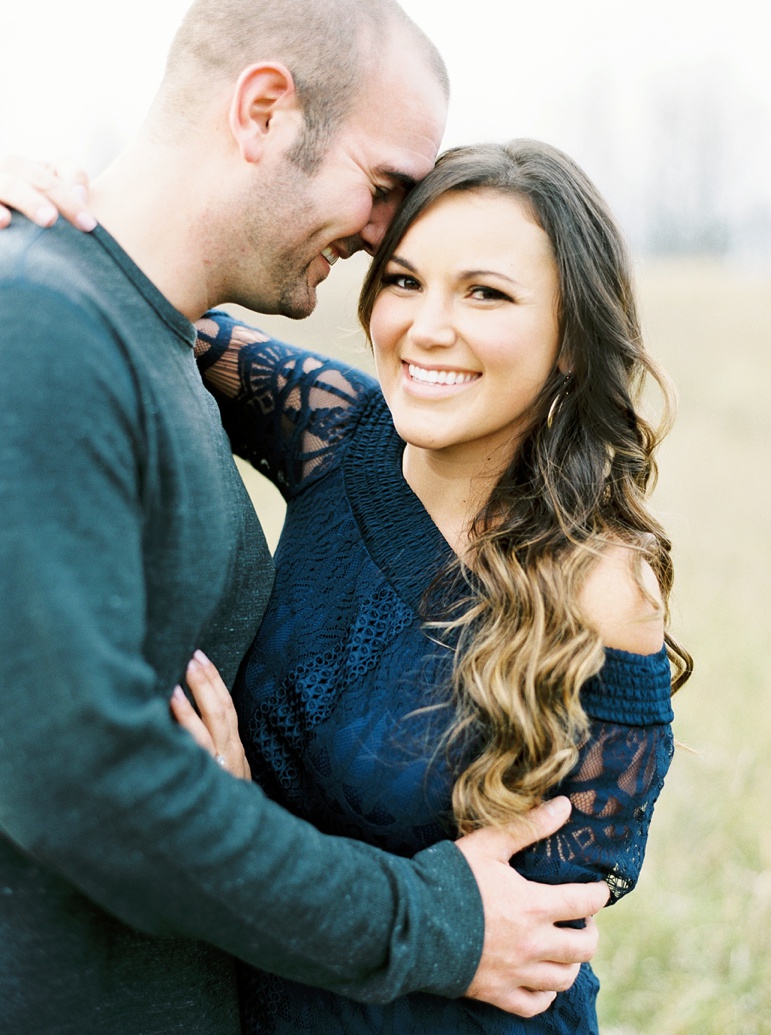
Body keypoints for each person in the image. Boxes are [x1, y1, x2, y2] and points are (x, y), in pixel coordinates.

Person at [0, 2, 611, 1032]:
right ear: (266, 110)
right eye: (380, 190)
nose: (384, 238)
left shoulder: (157, 342)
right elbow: (81, 782)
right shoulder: (46, 328)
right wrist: (432, 920)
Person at [168, 139, 692, 1033]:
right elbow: (132, 297)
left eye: (485, 293)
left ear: (571, 340)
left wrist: (234, 824)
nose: (425, 327)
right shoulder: (333, 429)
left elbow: (520, 947)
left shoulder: (599, 584)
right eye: (404, 281)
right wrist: (36, 195)